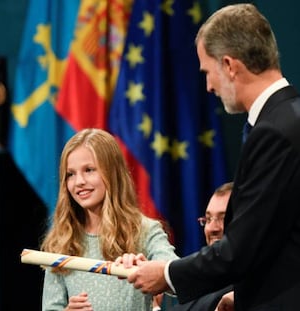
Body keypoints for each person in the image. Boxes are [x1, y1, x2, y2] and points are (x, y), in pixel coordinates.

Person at [118, 3, 300, 310]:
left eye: (207, 72)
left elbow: (241, 248)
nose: (209, 86)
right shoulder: (288, 118)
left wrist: (166, 274)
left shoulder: (274, 132)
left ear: (229, 65)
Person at [40, 128, 178, 311]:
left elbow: (176, 277)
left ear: (112, 174)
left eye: (89, 170)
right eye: (70, 174)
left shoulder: (145, 230)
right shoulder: (62, 240)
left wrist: (146, 267)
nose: (79, 181)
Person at [168, 182, 234, 311]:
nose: (212, 229)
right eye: (208, 219)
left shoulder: (245, 289)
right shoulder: (204, 282)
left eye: (223, 218)